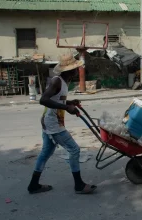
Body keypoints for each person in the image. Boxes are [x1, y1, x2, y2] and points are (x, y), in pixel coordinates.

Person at [27, 53, 97, 195]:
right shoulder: (56, 81)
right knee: (74, 150)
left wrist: (70, 103)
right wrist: (66, 108)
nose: (77, 71)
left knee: (46, 152)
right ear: (69, 70)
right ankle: (79, 185)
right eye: (75, 68)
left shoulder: (64, 82)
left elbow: (57, 100)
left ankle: (33, 185)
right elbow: (43, 100)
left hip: (49, 122)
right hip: (53, 123)